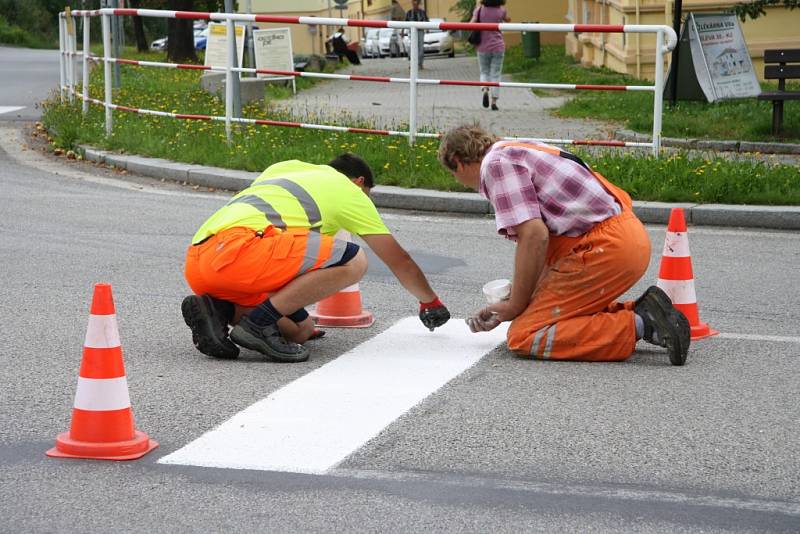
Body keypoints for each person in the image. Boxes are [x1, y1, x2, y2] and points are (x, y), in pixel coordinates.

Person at [437, 125, 691, 365]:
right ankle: (649, 312)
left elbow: (534, 236)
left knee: (526, 334)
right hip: (620, 241)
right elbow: (544, 244)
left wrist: (515, 306)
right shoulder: (514, 150)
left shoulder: (495, 166)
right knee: (540, 312)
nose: (459, 182)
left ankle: (642, 323)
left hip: (605, 248)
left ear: (458, 161)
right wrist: (519, 298)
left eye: (453, 174)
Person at [182, 154, 450, 362]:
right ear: (359, 183)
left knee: (301, 329)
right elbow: (398, 260)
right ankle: (257, 324)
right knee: (354, 261)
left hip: (201, 261)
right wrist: (431, 302)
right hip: (241, 252)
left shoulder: (285, 169)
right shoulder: (349, 192)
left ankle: (218, 310)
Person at [470, 0, 510, 111]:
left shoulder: (479, 10)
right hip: (498, 46)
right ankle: (494, 102)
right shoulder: (501, 10)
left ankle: (485, 89)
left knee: (484, 71)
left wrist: (477, 9)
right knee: (496, 74)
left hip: (482, 46)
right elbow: (508, 19)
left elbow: (471, 24)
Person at [405, 0, 429, 69]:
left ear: (418, 3)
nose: (415, 4)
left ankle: (420, 64)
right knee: (412, 48)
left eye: (416, 2)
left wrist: (427, 28)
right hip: (412, 32)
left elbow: (427, 21)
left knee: (420, 48)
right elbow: (405, 22)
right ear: (412, 3)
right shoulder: (409, 13)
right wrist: (403, 31)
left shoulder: (422, 12)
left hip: (420, 31)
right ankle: (412, 63)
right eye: (413, 2)